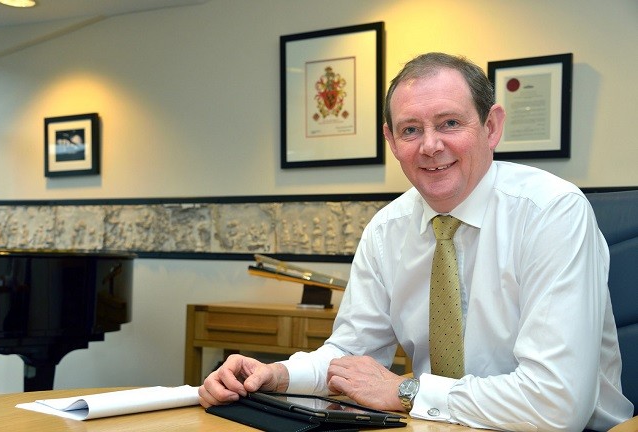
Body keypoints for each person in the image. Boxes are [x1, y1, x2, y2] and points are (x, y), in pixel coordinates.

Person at [199, 52, 634, 431]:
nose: (430, 146)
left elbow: (556, 405)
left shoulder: (552, 213)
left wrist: (407, 391)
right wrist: (274, 375)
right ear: (391, 141)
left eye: (449, 123)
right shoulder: (387, 229)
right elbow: (351, 355)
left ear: (491, 126)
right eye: (410, 130)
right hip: (436, 422)